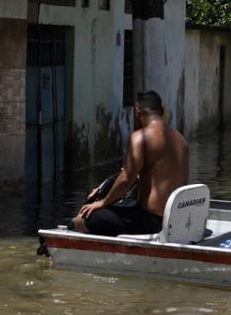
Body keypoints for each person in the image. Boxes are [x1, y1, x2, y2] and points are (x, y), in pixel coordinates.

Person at [73, 90, 189, 236]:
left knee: (83, 219)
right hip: (177, 218)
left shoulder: (140, 137)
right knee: (121, 207)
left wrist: (102, 203)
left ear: (137, 112)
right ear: (163, 111)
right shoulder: (181, 140)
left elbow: (127, 178)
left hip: (152, 221)